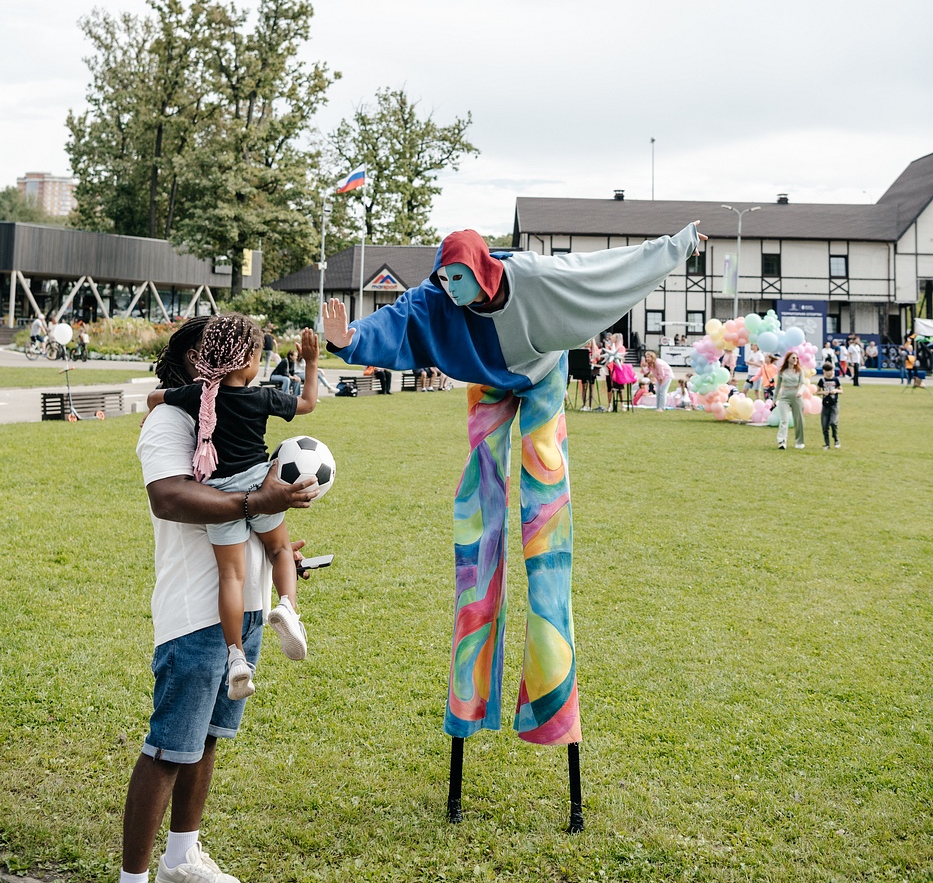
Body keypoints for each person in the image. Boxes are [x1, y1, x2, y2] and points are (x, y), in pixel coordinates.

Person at [323, 220, 704, 758]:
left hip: (543, 373)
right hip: (487, 382)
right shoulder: (438, 300)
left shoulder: (532, 275)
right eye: (444, 277)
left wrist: (678, 244)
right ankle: (468, 698)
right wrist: (350, 339)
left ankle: (551, 700)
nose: (449, 287)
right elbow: (398, 318)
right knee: (478, 519)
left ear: (481, 270)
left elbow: (603, 268)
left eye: (458, 277)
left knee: (547, 521)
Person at [104, 318, 320, 883]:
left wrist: (281, 554)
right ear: (194, 357)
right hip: (194, 614)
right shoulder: (170, 420)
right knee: (168, 748)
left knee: (206, 742)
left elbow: (245, 506)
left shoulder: (230, 407)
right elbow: (170, 497)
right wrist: (262, 503)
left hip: (245, 608)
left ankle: (180, 859)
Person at [146, 315, 319, 702]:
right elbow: (308, 403)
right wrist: (310, 361)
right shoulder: (263, 397)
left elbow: (156, 397)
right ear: (249, 361)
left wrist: (155, 403)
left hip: (219, 490)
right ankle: (288, 608)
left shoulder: (197, 397)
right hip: (261, 486)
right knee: (280, 551)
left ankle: (236, 657)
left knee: (231, 576)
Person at [774, 349, 806, 450]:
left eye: (797, 358)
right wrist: (774, 399)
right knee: (784, 420)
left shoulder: (799, 371)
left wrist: (800, 392)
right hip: (785, 397)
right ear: (788, 359)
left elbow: (803, 383)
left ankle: (799, 441)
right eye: (793, 358)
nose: (795, 359)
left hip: (797, 396)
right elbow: (778, 386)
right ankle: (782, 441)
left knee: (798, 420)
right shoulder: (781, 371)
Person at [817, 358, 842, 448]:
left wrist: (835, 390)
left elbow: (841, 390)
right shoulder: (822, 381)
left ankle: (836, 439)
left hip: (834, 404)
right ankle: (827, 443)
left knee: (833, 422)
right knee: (824, 425)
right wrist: (824, 392)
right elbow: (817, 392)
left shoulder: (836, 380)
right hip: (825, 404)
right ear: (824, 371)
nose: (830, 372)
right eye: (828, 371)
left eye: (831, 370)